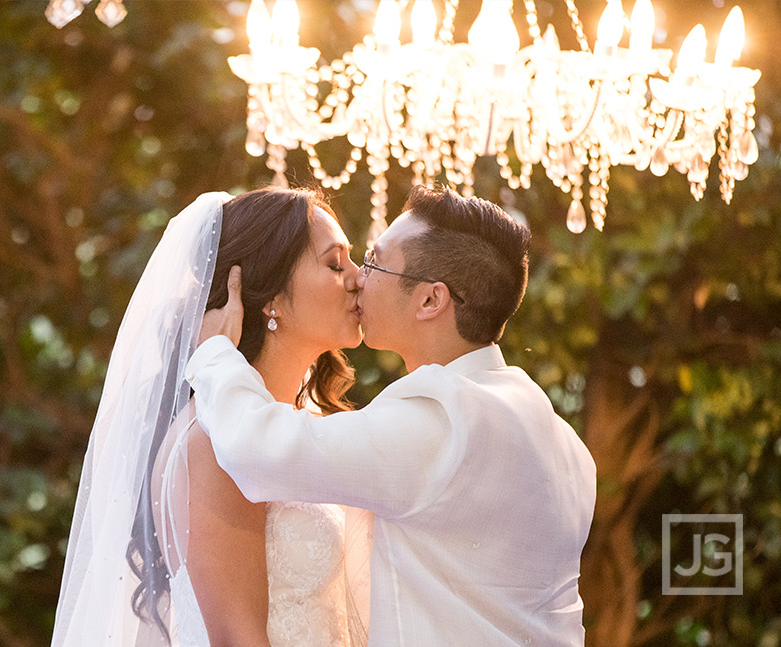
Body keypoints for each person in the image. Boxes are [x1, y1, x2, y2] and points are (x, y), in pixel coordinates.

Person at [188, 184, 598, 646]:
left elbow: (254, 450)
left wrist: (213, 354)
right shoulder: (562, 440)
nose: (359, 277)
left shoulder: (444, 421)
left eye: (373, 261)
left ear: (430, 301)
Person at [51, 187, 372, 647]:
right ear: (271, 298)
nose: (359, 278)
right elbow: (237, 638)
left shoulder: (293, 423)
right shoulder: (212, 442)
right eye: (335, 264)